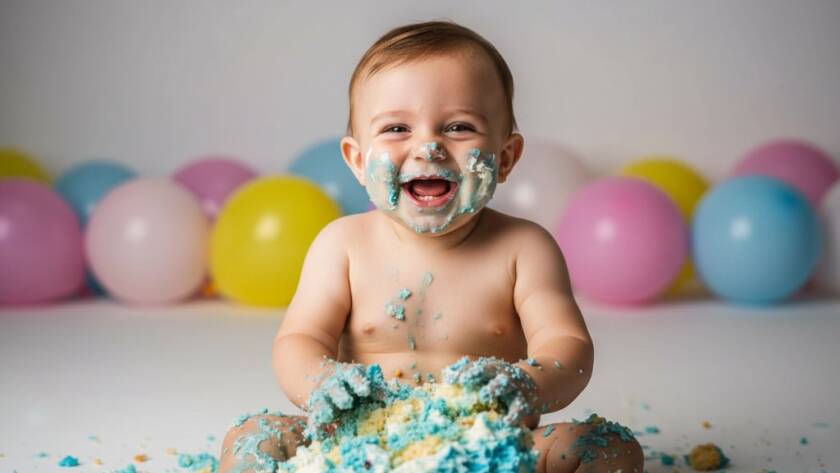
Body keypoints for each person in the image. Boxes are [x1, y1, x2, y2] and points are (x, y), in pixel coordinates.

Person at [219, 20, 644, 473]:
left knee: (608, 446)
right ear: (358, 161)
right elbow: (298, 340)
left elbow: (570, 345)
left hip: (492, 447)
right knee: (252, 436)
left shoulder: (524, 249)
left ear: (504, 158)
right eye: (397, 128)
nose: (428, 147)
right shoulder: (342, 245)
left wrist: (525, 383)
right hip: (356, 445)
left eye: (459, 127)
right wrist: (321, 381)